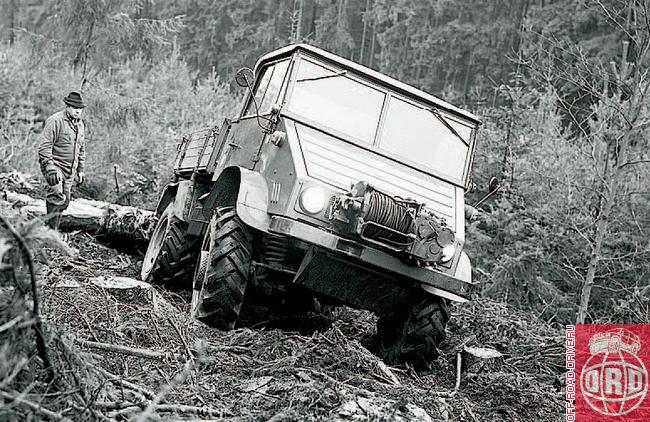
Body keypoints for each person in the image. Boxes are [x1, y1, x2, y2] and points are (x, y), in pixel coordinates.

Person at [37, 91, 87, 229]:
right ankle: (50, 232)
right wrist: (49, 167)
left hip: (70, 169)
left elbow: (81, 149)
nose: (78, 111)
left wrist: (81, 170)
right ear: (67, 106)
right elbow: (44, 146)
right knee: (56, 195)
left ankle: (52, 229)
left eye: (80, 108)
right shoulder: (55, 121)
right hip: (55, 165)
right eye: (75, 108)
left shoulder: (80, 125)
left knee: (65, 201)